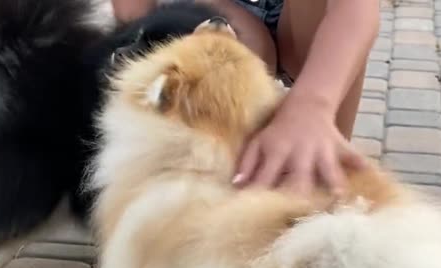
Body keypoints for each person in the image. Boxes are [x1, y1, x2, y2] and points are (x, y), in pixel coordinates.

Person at [112, 0, 380, 197]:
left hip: (300, 17)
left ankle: (324, 170)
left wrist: (311, 107)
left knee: (333, 23)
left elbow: (355, 12)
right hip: (209, 11)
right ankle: (208, 182)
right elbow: (131, 11)